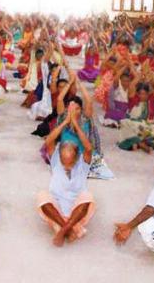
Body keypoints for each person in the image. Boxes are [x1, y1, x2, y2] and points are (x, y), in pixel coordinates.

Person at [36, 103, 95, 247]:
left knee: (88, 197)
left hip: (76, 213)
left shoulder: (83, 162)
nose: (65, 165)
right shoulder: (56, 159)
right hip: (56, 212)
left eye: (69, 162)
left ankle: (63, 230)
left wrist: (75, 122)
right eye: (63, 161)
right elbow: (49, 141)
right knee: (42, 196)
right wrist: (65, 122)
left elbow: (88, 147)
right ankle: (67, 229)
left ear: (76, 157)